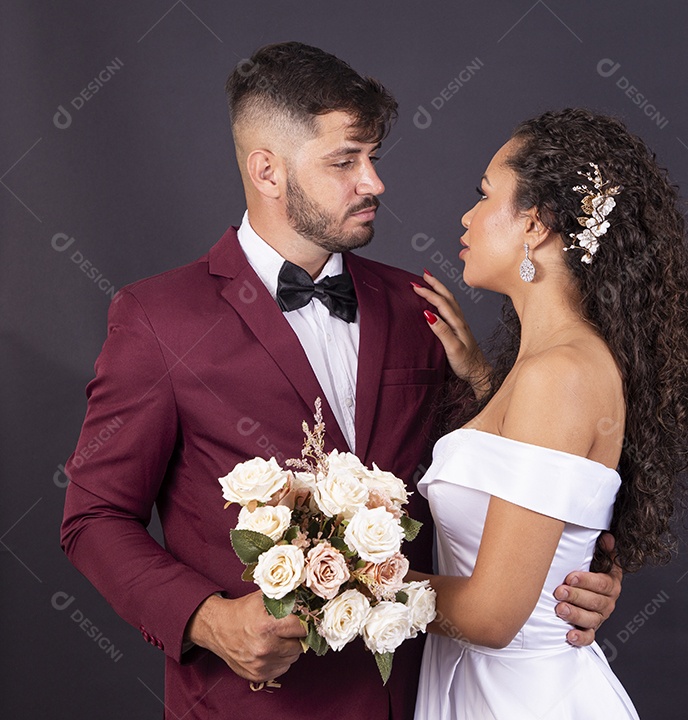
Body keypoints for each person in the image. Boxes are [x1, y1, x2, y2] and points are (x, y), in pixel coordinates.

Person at [59, 42, 621, 719]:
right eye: (345, 161)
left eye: (373, 159)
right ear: (267, 171)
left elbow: (500, 483)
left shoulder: (419, 305)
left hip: (423, 696)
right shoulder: (157, 320)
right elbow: (93, 517)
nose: (374, 183)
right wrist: (207, 620)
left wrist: (585, 573)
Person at [407, 108, 688, 718]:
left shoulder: (561, 375)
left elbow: (492, 616)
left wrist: (348, 582)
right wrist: (481, 379)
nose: (466, 216)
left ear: (538, 223)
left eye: (484, 194)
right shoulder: (553, 368)